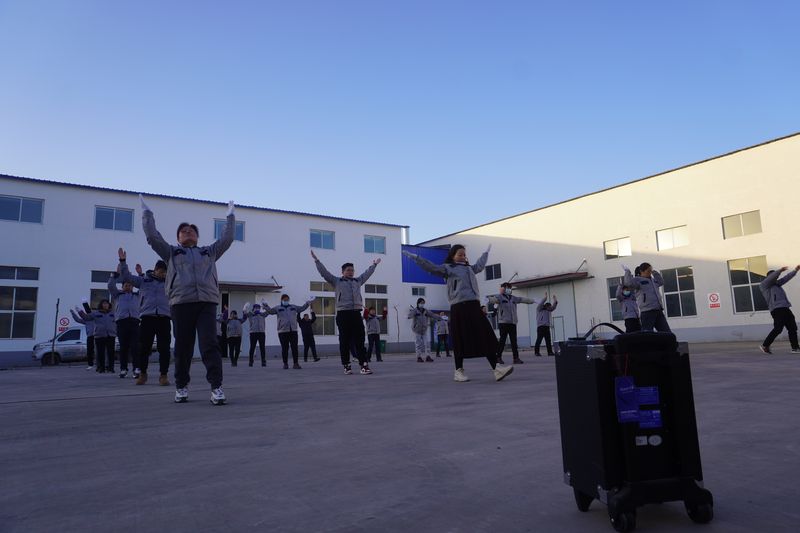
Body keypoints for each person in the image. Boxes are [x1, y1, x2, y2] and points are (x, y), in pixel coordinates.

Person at [141, 194, 235, 405]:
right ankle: (181, 386)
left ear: (197, 237)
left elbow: (227, 239)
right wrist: (147, 214)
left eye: (191, 230)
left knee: (210, 344)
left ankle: (216, 387)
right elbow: (153, 238)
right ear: (178, 238)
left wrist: (230, 216)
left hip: (206, 303)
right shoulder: (171, 253)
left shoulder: (209, 252)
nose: (187, 232)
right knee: (183, 347)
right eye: (183, 231)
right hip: (181, 304)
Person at [402, 244, 513, 383]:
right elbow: (431, 267)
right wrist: (416, 258)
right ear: (452, 256)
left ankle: (496, 368)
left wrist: (485, 253)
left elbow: (479, 266)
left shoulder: (469, 268)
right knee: (460, 339)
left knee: (484, 335)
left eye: (464, 254)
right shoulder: (448, 268)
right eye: (459, 254)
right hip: (459, 307)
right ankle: (458, 371)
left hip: (474, 305)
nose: (463, 257)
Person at [311, 250, 381, 375]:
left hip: (356, 314)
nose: (351, 272)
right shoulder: (337, 281)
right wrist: (317, 261)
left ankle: (364, 365)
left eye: (352, 270)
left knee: (360, 340)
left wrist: (374, 265)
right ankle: (346, 365)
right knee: (344, 341)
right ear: (342, 272)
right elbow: (324, 273)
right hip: (343, 314)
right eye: (348, 270)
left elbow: (367, 274)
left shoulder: (358, 281)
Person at [120, 256, 172, 386]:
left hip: (164, 318)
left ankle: (163, 375)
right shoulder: (143, 281)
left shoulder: (170, 282)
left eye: (165, 272)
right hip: (147, 318)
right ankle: (143, 374)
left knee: (164, 349)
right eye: (161, 272)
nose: (163, 274)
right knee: (144, 348)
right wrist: (123, 262)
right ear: (155, 270)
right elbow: (127, 277)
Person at [108, 250, 141, 379]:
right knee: (123, 347)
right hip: (121, 323)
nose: (128, 287)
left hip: (134, 322)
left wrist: (140, 274)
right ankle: (123, 369)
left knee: (135, 346)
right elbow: (110, 286)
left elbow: (144, 286)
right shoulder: (118, 295)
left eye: (130, 285)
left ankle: (136, 368)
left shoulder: (137, 295)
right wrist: (114, 275)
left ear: (133, 287)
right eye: (126, 285)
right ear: (122, 287)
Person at [488, 283, 536, 365]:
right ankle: (498, 357)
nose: (509, 289)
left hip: (513, 323)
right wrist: (487, 299)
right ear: (503, 289)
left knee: (514, 341)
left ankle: (516, 358)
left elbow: (522, 299)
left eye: (510, 288)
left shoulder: (513, 298)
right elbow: (494, 299)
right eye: (508, 288)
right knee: (502, 341)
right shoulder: (500, 297)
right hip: (503, 323)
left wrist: (533, 301)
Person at [264, 295, 314, 369]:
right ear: (281, 300)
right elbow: (271, 311)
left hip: (293, 330)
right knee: (285, 348)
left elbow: (301, 308)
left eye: (287, 300)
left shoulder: (293, 307)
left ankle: (296, 364)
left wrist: (308, 303)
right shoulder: (278, 308)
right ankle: (285, 364)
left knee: (295, 348)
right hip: (283, 331)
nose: (286, 301)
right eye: (285, 300)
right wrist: (265, 306)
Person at [759, 265, 800, 354]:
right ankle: (765, 345)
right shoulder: (764, 285)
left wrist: (795, 270)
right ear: (769, 277)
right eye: (774, 276)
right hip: (777, 309)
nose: (776, 278)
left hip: (785, 308)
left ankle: (795, 348)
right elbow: (772, 277)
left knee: (792, 328)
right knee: (778, 328)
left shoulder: (777, 284)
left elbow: (786, 278)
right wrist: (780, 270)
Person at [623, 263, 671, 333]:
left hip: (658, 310)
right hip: (647, 312)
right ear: (642, 271)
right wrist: (627, 271)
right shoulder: (638, 280)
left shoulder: (653, 280)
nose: (650, 272)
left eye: (651, 270)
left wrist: (655, 273)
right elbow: (628, 283)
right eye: (648, 271)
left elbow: (661, 282)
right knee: (647, 333)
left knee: (666, 332)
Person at [78, 299, 116, 373]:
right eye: (104, 303)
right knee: (100, 353)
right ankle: (101, 368)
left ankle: (111, 368)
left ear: (109, 305)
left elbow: (118, 321)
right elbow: (86, 318)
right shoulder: (96, 313)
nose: (105, 305)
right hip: (99, 335)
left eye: (107, 303)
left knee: (111, 353)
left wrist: (116, 331)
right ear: (101, 305)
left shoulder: (113, 313)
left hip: (110, 335)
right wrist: (80, 312)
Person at [407, 298, 442, 363]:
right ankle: (419, 357)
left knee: (427, 344)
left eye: (423, 303)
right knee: (418, 344)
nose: (422, 304)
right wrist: (409, 316)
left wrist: (439, 317)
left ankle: (428, 356)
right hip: (417, 330)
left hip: (424, 330)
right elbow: (410, 315)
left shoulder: (426, 311)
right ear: (418, 303)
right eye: (421, 303)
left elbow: (432, 314)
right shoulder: (415, 310)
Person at [70, 304, 95, 370]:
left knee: (98, 350)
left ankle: (100, 364)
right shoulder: (86, 320)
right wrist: (73, 313)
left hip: (97, 336)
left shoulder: (95, 318)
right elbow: (78, 320)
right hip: (90, 336)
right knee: (89, 351)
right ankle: (90, 364)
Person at [242, 302, 268, 367]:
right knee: (252, 348)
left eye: (258, 308)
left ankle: (263, 361)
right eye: (256, 308)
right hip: (253, 333)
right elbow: (244, 313)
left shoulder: (262, 314)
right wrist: (245, 307)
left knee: (262, 348)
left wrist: (265, 306)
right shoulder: (250, 314)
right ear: (253, 309)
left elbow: (269, 312)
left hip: (261, 332)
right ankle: (251, 362)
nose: (257, 309)